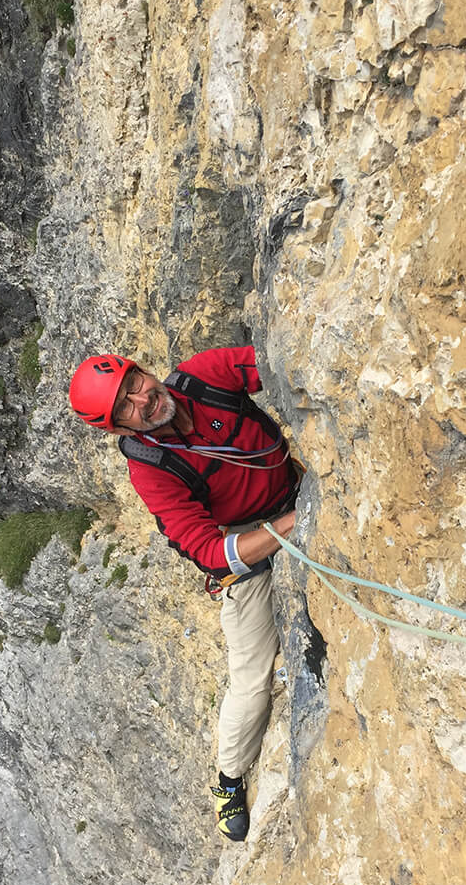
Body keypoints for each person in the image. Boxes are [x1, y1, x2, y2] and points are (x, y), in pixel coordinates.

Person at [69, 345, 299, 841]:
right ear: (119, 429)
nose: (144, 399)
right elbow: (209, 552)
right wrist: (288, 528)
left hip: (291, 491)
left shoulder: (205, 377)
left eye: (135, 383)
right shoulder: (151, 470)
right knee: (251, 678)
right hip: (252, 537)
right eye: (127, 405)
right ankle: (229, 779)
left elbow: (288, 357)